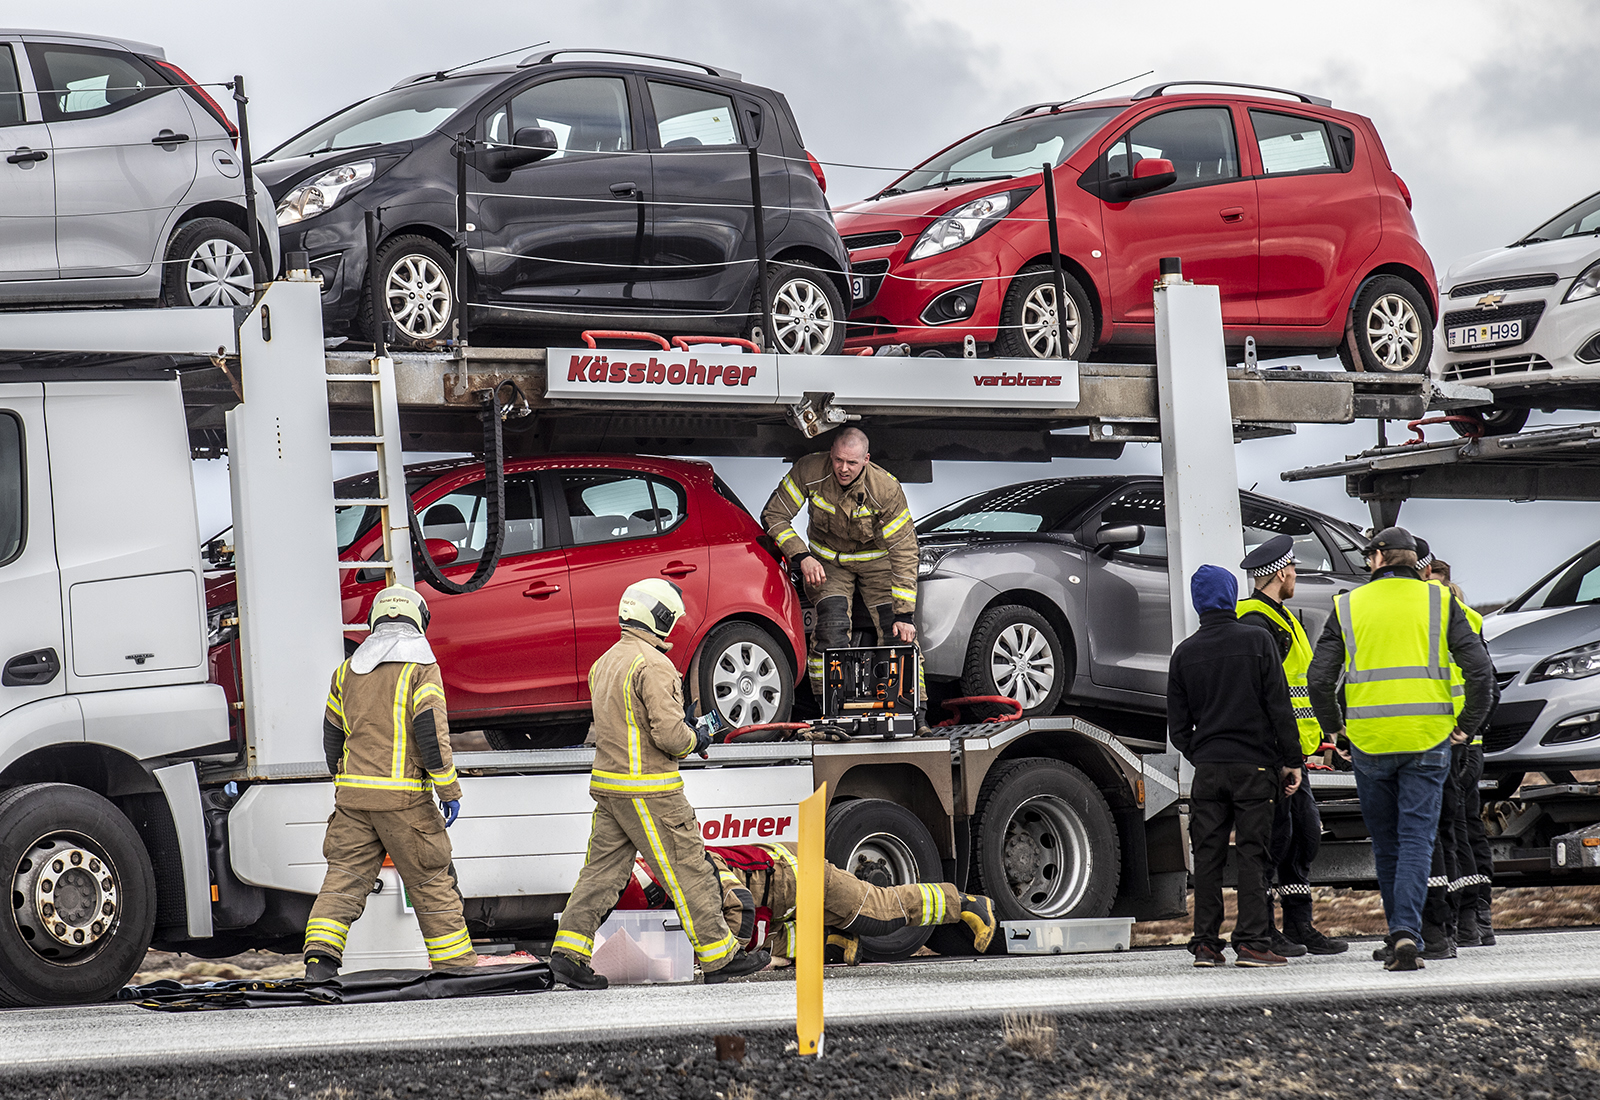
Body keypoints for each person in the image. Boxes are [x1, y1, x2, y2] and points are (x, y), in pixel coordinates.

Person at [550, 579, 770, 990]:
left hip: (612, 789)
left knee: (600, 875)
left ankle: (567, 954)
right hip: (651, 791)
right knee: (689, 869)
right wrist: (696, 737)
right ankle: (720, 956)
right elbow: (670, 737)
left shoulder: (605, 662)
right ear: (661, 617)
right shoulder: (653, 664)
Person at [1306, 527, 1494, 972]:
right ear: (1414, 561)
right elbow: (1481, 675)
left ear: (1376, 559)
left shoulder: (1347, 605)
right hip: (1428, 740)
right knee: (1416, 840)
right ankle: (1407, 934)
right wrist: (1465, 728)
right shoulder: (1440, 602)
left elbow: (1319, 679)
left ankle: (1400, 933)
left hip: (1370, 743)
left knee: (1387, 844)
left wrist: (1336, 731)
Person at [303, 585, 475, 980]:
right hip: (404, 801)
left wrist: (344, 782)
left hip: (353, 801)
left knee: (344, 877)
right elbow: (430, 734)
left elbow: (332, 736)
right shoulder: (421, 669)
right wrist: (448, 790)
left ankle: (320, 961)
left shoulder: (346, 671)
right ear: (419, 621)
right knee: (431, 879)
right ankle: (456, 967)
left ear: (374, 621)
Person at [1169, 564, 1304, 968]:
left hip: (1208, 771)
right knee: (1252, 855)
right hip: (1255, 769)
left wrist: (1204, 755)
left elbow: (1179, 728)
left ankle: (1206, 945)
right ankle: (1251, 942)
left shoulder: (1185, 653)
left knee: (1207, 857)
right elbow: (1279, 709)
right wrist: (1290, 761)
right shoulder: (1257, 641)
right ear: (1230, 595)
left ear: (1197, 603)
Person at [1236, 534, 1350, 958]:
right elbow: (1267, 695)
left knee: (1301, 836)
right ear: (1282, 573)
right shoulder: (1256, 622)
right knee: (1274, 841)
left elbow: (1298, 691)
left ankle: (1298, 923)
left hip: (1293, 753)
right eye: (1294, 570)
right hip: (1274, 756)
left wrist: (1317, 739)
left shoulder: (1278, 617)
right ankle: (1265, 929)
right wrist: (1283, 754)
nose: (1296, 576)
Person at [621, 844, 998, 964]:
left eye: (655, 907)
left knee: (880, 914)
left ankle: (966, 904)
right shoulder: (666, 886)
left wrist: (721, 962)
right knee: (766, 944)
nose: (659, 914)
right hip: (780, 905)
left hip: (805, 878)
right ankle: (833, 938)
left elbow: (742, 905)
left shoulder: (689, 867)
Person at [761, 427, 919, 702]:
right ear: (830, 454)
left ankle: (913, 710)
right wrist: (801, 556)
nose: (843, 469)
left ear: (866, 459)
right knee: (830, 630)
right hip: (828, 563)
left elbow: (904, 550)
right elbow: (774, 515)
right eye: (838, 460)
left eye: (852, 463)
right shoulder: (809, 470)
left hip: (876, 563)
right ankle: (829, 708)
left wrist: (905, 614)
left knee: (897, 632)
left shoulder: (886, 489)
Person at [1424, 548, 1498, 948]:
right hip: (1456, 739)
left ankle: (1469, 917)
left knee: (1457, 829)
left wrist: (1466, 733)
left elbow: (1488, 686)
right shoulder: (1458, 617)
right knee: (1460, 830)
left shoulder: (1461, 619)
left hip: (1458, 742)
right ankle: (1468, 919)